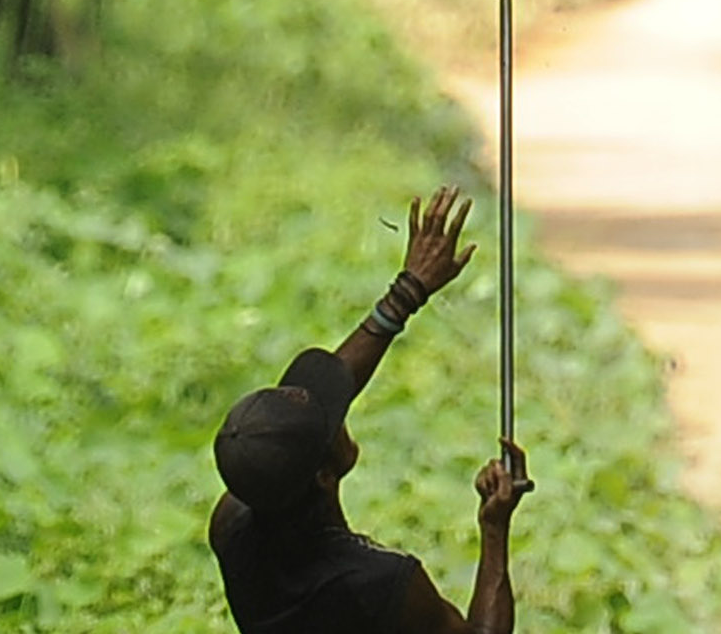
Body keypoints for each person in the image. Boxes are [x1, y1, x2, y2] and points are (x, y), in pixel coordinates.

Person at [208, 187, 528, 634]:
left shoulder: (235, 524)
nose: (339, 408)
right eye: (330, 418)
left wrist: (407, 291)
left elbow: (312, 406)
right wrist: (494, 531)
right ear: (322, 475)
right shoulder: (381, 588)